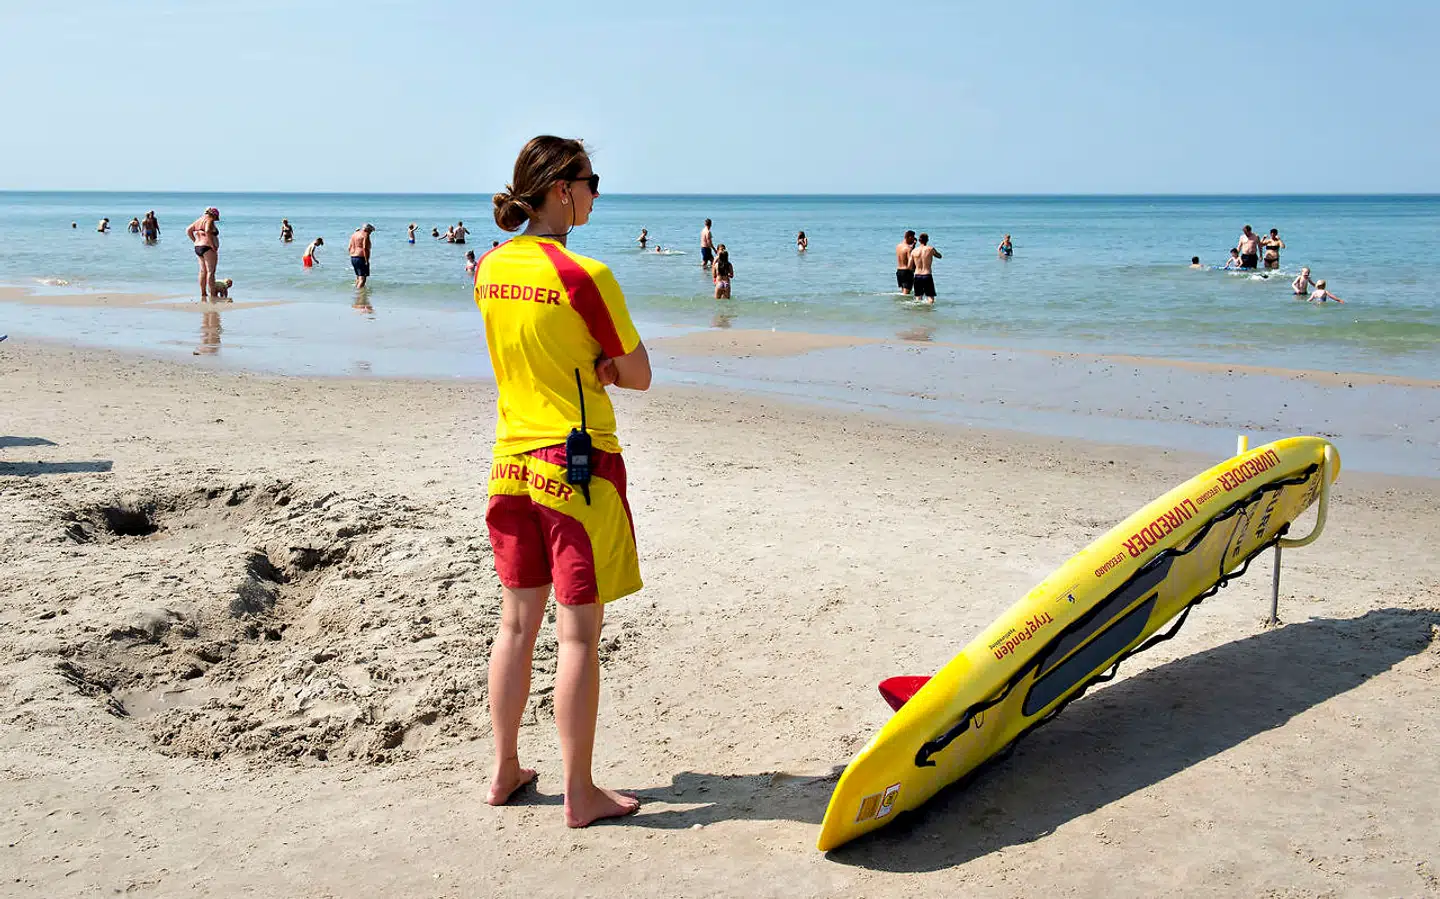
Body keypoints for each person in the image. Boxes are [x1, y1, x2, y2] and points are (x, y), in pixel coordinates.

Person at [478, 135, 649, 828]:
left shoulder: (489, 268)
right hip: (574, 471)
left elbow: (531, 347)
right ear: (561, 190)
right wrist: (607, 367)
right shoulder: (585, 275)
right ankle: (579, 791)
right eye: (591, 181)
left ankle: (504, 769)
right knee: (577, 636)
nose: (597, 193)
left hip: (509, 464)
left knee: (516, 624)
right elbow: (637, 372)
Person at [185, 207, 221, 300]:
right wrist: (212, 245)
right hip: (207, 247)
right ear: (213, 215)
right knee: (211, 271)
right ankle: (213, 295)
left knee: (202, 271)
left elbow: (188, 230)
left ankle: (203, 293)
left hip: (198, 247)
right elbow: (208, 230)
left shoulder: (199, 220)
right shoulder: (209, 220)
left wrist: (195, 240)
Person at [910, 233, 941, 304]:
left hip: (917, 275)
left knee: (918, 298)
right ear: (927, 240)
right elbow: (939, 256)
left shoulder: (914, 251)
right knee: (930, 298)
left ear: (919, 241)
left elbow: (909, 265)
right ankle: (929, 313)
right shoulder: (930, 249)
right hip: (927, 275)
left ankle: (919, 313)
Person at [895, 230, 916, 295]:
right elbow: (910, 261)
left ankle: (901, 305)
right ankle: (905, 305)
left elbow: (903, 256)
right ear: (909, 237)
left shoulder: (898, 246)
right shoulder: (908, 248)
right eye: (913, 238)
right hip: (907, 272)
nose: (913, 240)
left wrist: (913, 246)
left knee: (903, 292)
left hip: (899, 271)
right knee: (906, 294)